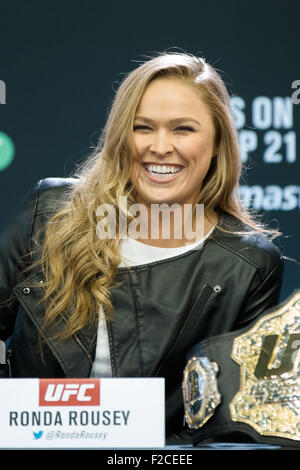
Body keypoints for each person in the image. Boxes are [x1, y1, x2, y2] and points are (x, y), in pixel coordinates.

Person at [0, 52, 283, 443]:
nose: (161, 146)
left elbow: (236, 423)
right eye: (142, 127)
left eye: (183, 129)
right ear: (121, 137)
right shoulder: (49, 213)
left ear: (217, 142)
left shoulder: (247, 263)